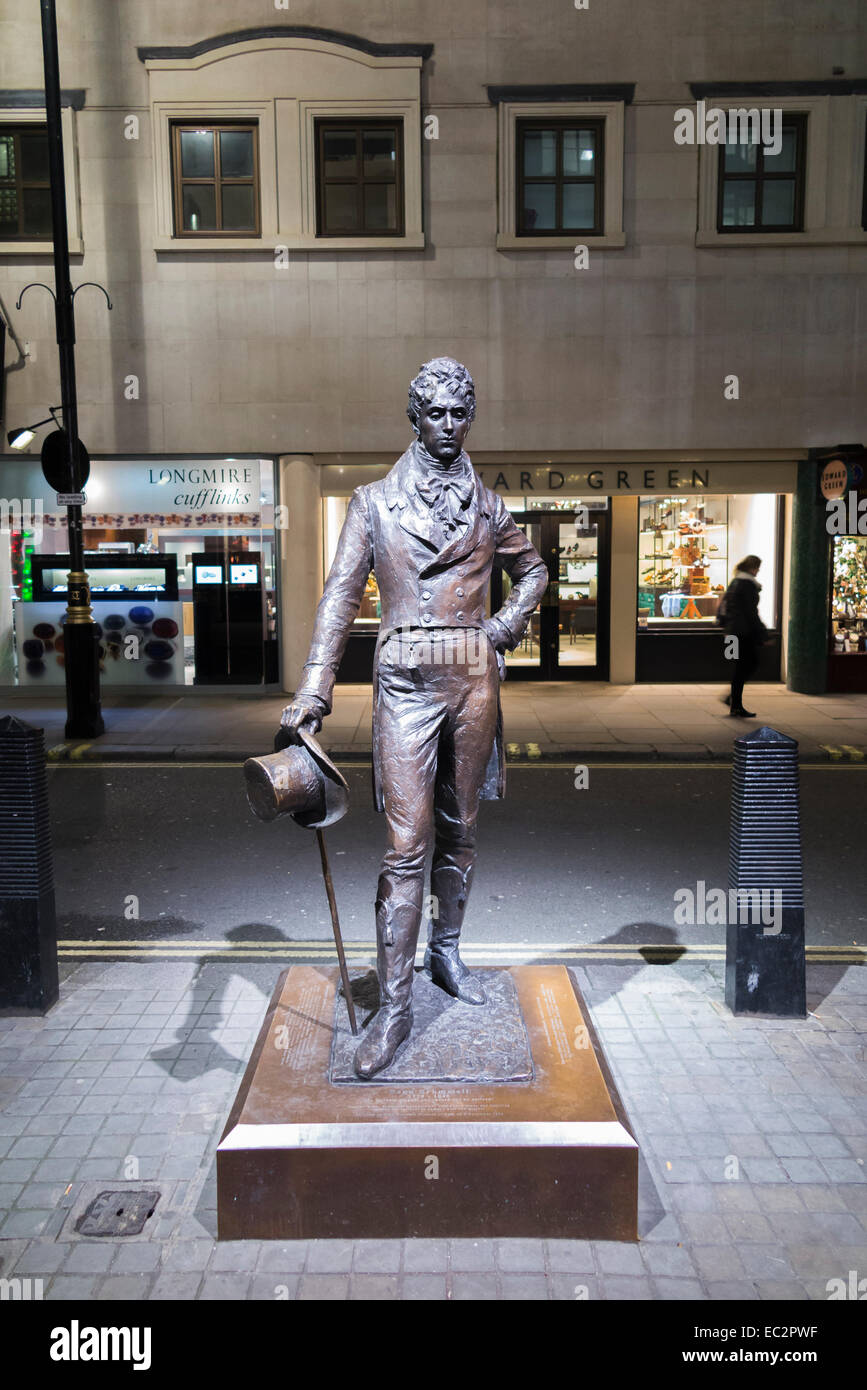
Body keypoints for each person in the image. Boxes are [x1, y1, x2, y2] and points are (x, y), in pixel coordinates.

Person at [280, 358, 547, 1078]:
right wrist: (314, 690)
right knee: (405, 843)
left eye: (461, 413)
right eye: (436, 413)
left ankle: (446, 951)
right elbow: (339, 597)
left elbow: (535, 571)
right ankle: (394, 1008)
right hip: (403, 680)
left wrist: (501, 628)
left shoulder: (488, 506)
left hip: (472, 680)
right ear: (413, 417)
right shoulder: (371, 503)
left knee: (460, 826)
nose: (449, 427)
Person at [722, 554, 766, 718]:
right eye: (757, 568)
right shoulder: (747, 585)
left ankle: (734, 701)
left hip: (731, 631)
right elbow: (750, 612)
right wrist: (762, 632)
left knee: (739, 666)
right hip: (743, 633)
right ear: (752, 568)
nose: (758, 571)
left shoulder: (736, 582)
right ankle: (735, 703)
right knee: (748, 664)